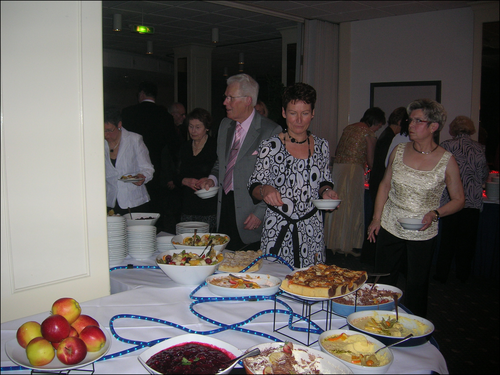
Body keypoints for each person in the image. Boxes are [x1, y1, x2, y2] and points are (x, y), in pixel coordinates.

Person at [367, 99, 464, 317]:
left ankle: (414, 333)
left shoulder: (447, 160)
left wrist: (436, 213)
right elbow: (385, 184)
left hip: (422, 230)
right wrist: (376, 218)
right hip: (391, 223)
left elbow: (459, 199)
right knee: (383, 281)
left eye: (418, 121)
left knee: (417, 286)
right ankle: (375, 321)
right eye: (410, 120)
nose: (410, 125)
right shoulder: (399, 151)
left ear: (433, 127)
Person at [248, 83, 338, 268]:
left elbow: (324, 181)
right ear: (283, 112)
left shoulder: (322, 146)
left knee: (312, 283)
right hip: (277, 227)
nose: (298, 120)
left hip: (311, 228)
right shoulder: (270, 146)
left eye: (304, 113)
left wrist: (327, 191)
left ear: (312, 113)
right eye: (292, 113)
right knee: (275, 283)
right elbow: (254, 187)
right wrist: (265, 189)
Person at [198, 74, 282, 251]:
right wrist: (211, 179)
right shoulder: (224, 125)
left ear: (248, 100)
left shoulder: (270, 130)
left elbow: (276, 178)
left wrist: (260, 212)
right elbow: (221, 163)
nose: (225, 102)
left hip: (250, 212)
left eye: (230, 98)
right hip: (224, 208)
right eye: (225, 97)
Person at [434, 116, 489, 283]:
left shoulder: (447, 147)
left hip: (451, 201)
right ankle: (463, 275)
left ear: (453, 129)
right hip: (471, 202)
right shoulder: (479, 148)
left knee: (447, 241)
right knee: (467, 242)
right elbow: (483, 175)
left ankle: (441, 274)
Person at [324, 107, 385, 257]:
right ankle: (347, 245)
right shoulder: (369, 133)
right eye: (379, 125)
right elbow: (371, 160)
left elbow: (338, 151)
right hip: (353, 170)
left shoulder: (349, 128)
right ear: (375, 122)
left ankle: (332, 243)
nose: (378, 129)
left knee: (337, 205)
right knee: (351, 206)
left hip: (338, 168)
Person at [121, 81, 179, 231]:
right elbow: (174, 147)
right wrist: (174, 174)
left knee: (133, 210)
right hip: (157, 169)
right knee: (155, 210)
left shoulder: (128, 112)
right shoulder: (164, 115)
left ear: (141, 94)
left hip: (131, 169)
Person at [361, 107, 407, 265]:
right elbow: (387, 165)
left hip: (378, 182)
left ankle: (369, 257)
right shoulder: (392, 137)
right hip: (382, 183)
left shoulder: (388, 135)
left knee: (377, 219)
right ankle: (374, 258)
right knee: (380, 220)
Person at [104, 107, 154, 215]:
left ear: (119, 125)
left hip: (134, 202)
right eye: (103, 130)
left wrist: (142, 177)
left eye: (109, 130)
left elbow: (148, 169)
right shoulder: (98, 142)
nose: (105, 135)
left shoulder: (134, 140)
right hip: (110, 202)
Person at [176, 108, 218, 232]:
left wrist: (209, 179)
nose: (193, 131)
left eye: (198, 127)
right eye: (190, 126)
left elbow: (221, 172)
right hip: (188, 204)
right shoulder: (184, 147)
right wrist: (184, 180)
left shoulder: (214, 147)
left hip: (209, 205)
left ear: (207, 128)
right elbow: (175, 174)